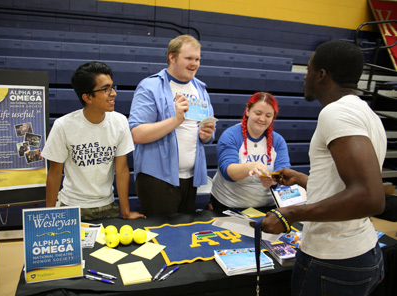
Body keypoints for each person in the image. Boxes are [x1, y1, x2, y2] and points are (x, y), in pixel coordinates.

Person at [258, 41, 386, 296]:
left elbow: (369, 196)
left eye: (308, 69)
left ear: (322, 75)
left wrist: (290, 213)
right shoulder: (366, 113)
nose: (304, 76)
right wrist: (306, 180)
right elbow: (347, 183)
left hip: (334, 259)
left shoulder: (336, 113)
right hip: (362, 251)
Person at [42, 61, 145, 221]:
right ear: (87, 97)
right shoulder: (63, 125)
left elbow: (122, 170)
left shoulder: (120, 122)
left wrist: (125, 212)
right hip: (72, 207)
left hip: (108, 206)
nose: (113, 93)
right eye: (106, 89)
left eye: (112, 87)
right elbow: (55, 174)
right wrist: (50, 216)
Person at [128, 35, 216, 215]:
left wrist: (207, 135)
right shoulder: (150, 86)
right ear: (172, 57)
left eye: (197, 59)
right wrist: (175, 120)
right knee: (161, 236)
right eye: (189, 58)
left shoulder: (200, 89)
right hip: (157, 179)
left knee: (184, 235)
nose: (194, 64)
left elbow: (205, 131)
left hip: (191, 179)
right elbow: (136, 134)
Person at [210, 92, 291, 213]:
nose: (262, 119)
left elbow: (283, 172)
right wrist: (251, 166)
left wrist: (273, 180)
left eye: (268, 115)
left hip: (267, 206)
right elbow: (228, 172)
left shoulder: (278, 141)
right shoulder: (231, 135)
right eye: (258, 113)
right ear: (247, 110)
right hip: (229, 205)